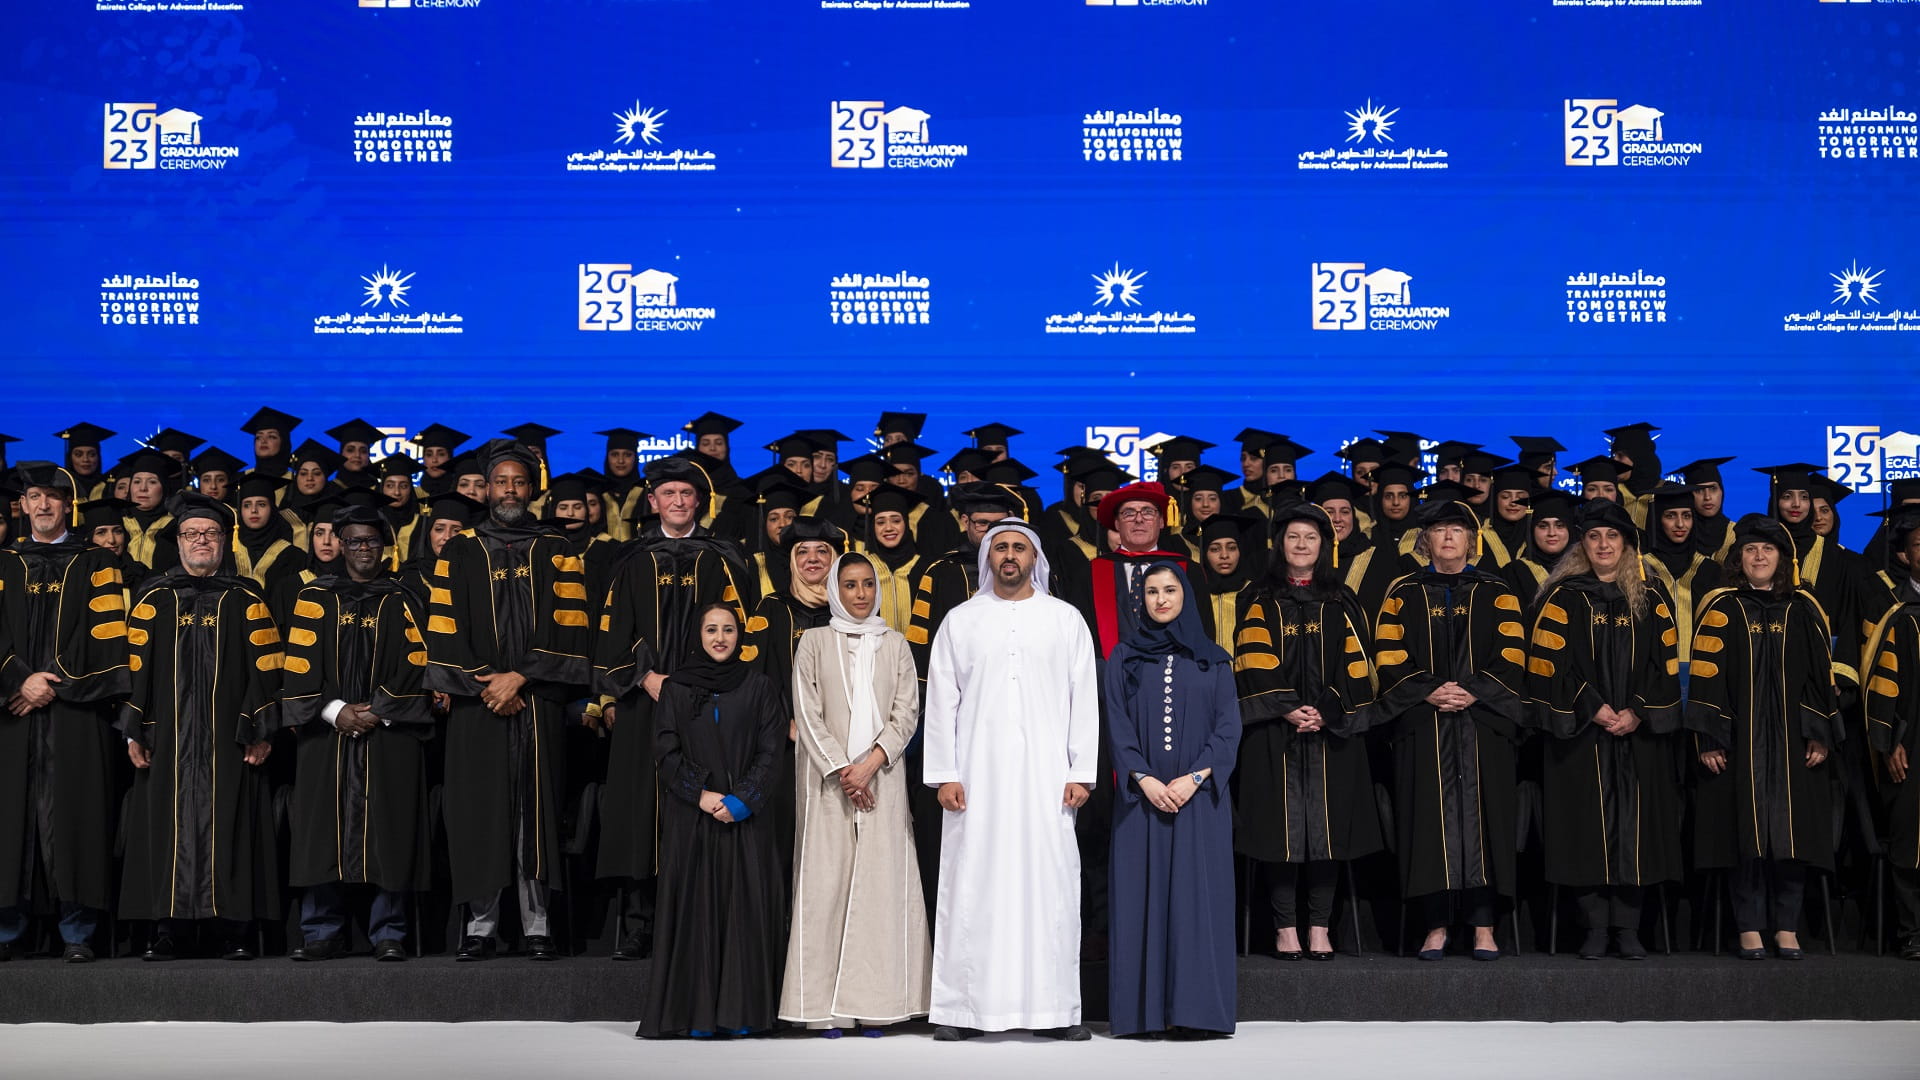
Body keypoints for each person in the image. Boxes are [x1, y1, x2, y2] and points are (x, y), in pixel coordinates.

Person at [922, 520, 1099, 1041]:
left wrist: (1081, 771)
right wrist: (944, 775)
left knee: (1051, 888)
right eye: (1000, 546)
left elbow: (1082, 699)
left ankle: (1054, 1012)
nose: (1009, 555)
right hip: (976, 779)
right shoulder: (961, 620)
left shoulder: (1065, 619)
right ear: (987, 557)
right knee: (973, 885)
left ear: (1035, 558)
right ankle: (963, 1012)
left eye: (1019, 547)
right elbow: (942, 701)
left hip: (1048, 779)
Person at [423, 442, 592, 962]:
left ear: (531, 487)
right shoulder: (461, 550)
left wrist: (519, 677)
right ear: (487, 489)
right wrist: (487, 683)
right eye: (501, 482)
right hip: (478, 707)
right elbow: (444, 634)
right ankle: (481, 926)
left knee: (535, 814)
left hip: (536, 703)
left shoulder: (557, 548)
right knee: (481, 813)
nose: (510, 491)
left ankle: (538, 926)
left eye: (519, 482)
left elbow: (572, 628)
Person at [595, 455, 753, 960]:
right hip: (646, 703)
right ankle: (641, 924)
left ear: (699, 501)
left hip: (709, 705)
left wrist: (699, 683)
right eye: (669, 495)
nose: (679, 502)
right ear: (653, 501)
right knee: (644, 811)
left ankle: (698, 919)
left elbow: (738, 629)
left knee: (701, 802)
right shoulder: (631, 559)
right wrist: (644, 677)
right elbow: (611, 633)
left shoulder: (724, 556)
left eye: (687, 494)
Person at [118, 492, 284, 961]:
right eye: (191, 534)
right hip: (166, 738)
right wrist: (134, 730)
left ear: (224, 540)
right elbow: (135, 670)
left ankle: (233, 930)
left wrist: (262, 727)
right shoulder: (154, 597)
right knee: (165, 828)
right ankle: (167, 930)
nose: (201, 541)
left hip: (229, 738)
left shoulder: (246, 596)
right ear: (178, 541)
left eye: (210, 533)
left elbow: (267, 669)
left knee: (230, 824)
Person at [1525, 501, 1684, 960]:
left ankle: (1628, 928)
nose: (1603, 545)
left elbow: (1665, 667)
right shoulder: (1563, 597)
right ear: (1583, 545)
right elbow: (1547, 668)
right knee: (1585, 830)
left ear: (1627, 545)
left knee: (1636, 831)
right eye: (1594, 537)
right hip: (1581, 734)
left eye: (1612, 537)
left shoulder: (1652, 598)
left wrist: (1635, 710)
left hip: (1639, 733)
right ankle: (1594, 928)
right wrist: (1593, 708)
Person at [781, 554, 931, 1036]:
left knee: (878, 890)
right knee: (827, 888)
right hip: (827, 784)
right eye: (850, 585)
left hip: (881, 780)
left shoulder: (896, 644)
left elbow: (906, 711)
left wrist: (869, 764)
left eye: (868, 584)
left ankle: (877, 1003)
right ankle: (824, 1009)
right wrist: (845, 770)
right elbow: (806, 711)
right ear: (834, 590)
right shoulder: (814, 642)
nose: (861, 593)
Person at [1372, 499, 1528, 960]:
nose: (1446, 537)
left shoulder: (1496, 591)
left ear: (1471, 541)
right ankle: (1435, 926)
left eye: (1456, 529)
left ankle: (1483, 926)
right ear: (1425, 540)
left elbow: (1512, 653)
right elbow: (1388, 654)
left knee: (1486, 824)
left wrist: (1474, 691)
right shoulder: (1402, 593)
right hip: (1424, 723)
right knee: (1429, 826)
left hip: (1483, 725)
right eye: (1438, 529)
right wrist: (1429, 691)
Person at [280, 505, 433, 962]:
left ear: (384, 546)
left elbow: (418, 665)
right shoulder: (314, 598)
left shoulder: (406, 597)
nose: (363, 549)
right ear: (340, 546)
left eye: (370, 541)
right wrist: (333, 710)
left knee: (390, 829)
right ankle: (321, 931)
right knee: (321, 830)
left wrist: (380, 711)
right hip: (326, 735)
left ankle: (389, 931)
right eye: (353, 541)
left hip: (391, 734)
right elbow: (298, 668)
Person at [1232, 501, 1381, 961]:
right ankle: (1285, 928)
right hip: (1275, 734)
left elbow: (1358, 666)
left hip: (1331, 734)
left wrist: (1327, 708)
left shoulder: (1342, 599)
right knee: (1283, 835)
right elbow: (1251, 661)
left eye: (1311, 537)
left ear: (1324, 545)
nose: (1301, 545)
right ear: (1280, 544)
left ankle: (1320, 926)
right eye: (1293, 537)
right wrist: (1287, 707)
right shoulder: (1257, 597)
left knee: (1328, 834)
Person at [1687, 514, 1840, 960]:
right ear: (1738, 558)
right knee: (1747, 836)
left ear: (1782, 559)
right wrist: (1709, 738)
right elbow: (1706, 679)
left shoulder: (1802, 608)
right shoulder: (1721, 608)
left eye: (1768, 550)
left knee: (1791, 836)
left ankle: (1787, 926)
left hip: (1793, 743)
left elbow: (1818, 679)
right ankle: (1750, 925)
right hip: (1741, 743)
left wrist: (1819, 734)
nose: (1759, 556)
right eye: (1751, 550)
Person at [637, 603, 787, 1040]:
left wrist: (743, 799)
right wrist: (698, 794)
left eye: (728, 630)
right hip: (695, 820)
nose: (720, 638)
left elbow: (772, 750)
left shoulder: (759, 686)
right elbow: (664, 751)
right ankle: (695, 1014)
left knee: (745, 911)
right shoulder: (677, 689)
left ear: (739, 636)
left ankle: (743, 1013)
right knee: (696, 911)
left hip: (746, 820)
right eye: (711, 630)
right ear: (697, 635)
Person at [0, 468, 131, 963]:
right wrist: (19, 679)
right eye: (34, 497)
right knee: (9, 816)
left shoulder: (97, 562)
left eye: (52, 498)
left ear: (67, 505)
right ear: (24, 505)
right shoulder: (4, 561)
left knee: (77, 814)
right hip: (12, 712)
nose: (42, 506)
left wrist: (48, 683)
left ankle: (78, 931)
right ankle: (7, 929)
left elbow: (106, 636)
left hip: (75, 712)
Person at [1105, 562, 1239, 1039]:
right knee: (1141, 898)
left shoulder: (1215, 659)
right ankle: (1141, 1014)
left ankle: (1197, 1012)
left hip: (1199, 800)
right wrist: (1143, 779)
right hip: (1142, 800)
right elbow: (1116, 726)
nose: (1161, 599)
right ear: (1139, 600)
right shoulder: (1123, 657)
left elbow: (1228, 729)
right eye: (1152, 591)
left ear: (1186, 596)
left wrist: (1194, 778)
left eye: (1170, 590)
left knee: (1196, 899)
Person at [1864, 512, 1920, 958]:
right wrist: (1888, 743)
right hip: (1913, 745)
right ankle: (1913, 931)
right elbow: (1883, 687)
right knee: (1910, 839)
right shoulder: (1896, 613)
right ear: (1905, 554)